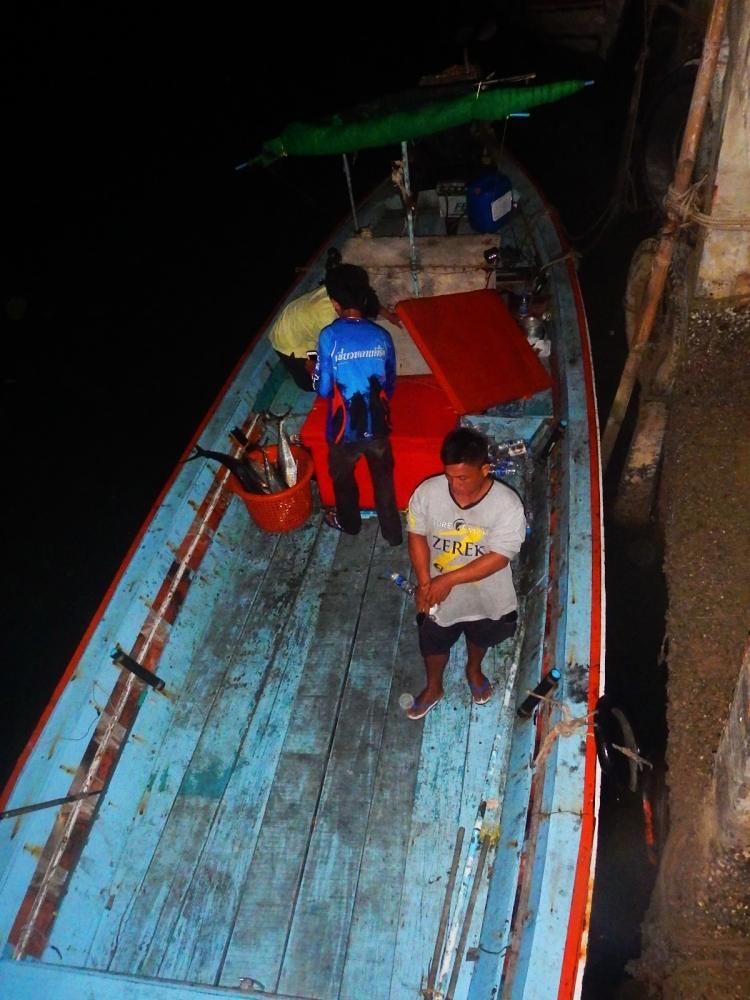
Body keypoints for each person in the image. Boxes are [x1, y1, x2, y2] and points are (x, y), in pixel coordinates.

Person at [404, 426, 526, 720]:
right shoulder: (427, 492)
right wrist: (425, 583)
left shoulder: (507, 505)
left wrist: (448, 579)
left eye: (462, 478)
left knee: (480, 634)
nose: (454, 485)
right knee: (432, 640)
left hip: (487, 593)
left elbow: (499, 558)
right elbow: (417, 535)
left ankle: (473, 669)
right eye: (449, 476)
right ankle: (434, 687)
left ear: (485, 469)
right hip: (437, 591)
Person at [314, 263, 403, 547]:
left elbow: (325, 389)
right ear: (365, 299)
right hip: (378, 427)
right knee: (384, 481)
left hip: (343, 433)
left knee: (343, 480)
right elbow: (389, 383)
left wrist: (312, 370)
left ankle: (350, 524)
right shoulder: (381, 336)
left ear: (335, 304)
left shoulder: (329, 336)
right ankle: (393, 533)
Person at [269, 249, 400, 392]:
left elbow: (370, 302)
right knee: (309, 384)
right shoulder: (326, 319)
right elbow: (319, 359)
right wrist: (316, 368)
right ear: (336, 305)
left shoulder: (350, 292)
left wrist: (390, 316)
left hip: (307, 321)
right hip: (290, 340)